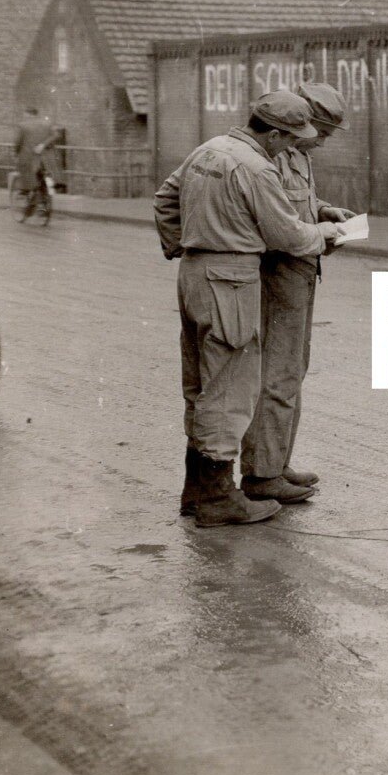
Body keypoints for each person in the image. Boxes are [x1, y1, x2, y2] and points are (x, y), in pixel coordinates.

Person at [154, 89, 347, 529]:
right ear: (274, 134)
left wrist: (188, 245)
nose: (294, 145)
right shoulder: (256, 166)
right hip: (232, 278)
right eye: (290, 137)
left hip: (194, 274)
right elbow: (289, 236)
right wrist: (324, 235)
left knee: (202, 385)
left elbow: (165, 199)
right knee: (230, 388)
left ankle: (197, 491)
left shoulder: (208, 149)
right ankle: (217, 498)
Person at [240, 80, 355, 495]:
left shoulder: (298, 154)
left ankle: (277, 462)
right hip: (279, 272)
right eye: (319, 132)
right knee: (278, 372)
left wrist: (324, 211)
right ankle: (262, 474)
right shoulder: (272, 153)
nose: (320, 141)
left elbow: (297, 203)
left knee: (292, 369)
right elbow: (277, 221)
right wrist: (320, 233)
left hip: (301, 270)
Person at [13, 105, 56, 211]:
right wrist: (43, 145)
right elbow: (55, 135)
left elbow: (17, 143)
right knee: (42, 177)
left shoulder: (23, 126)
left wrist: (16, 154)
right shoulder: (47, 123)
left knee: (25, 173)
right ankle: (44, 200)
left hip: (29, 158)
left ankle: (26, 193)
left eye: (25, 114)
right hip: (45, 158)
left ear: (28, 114)